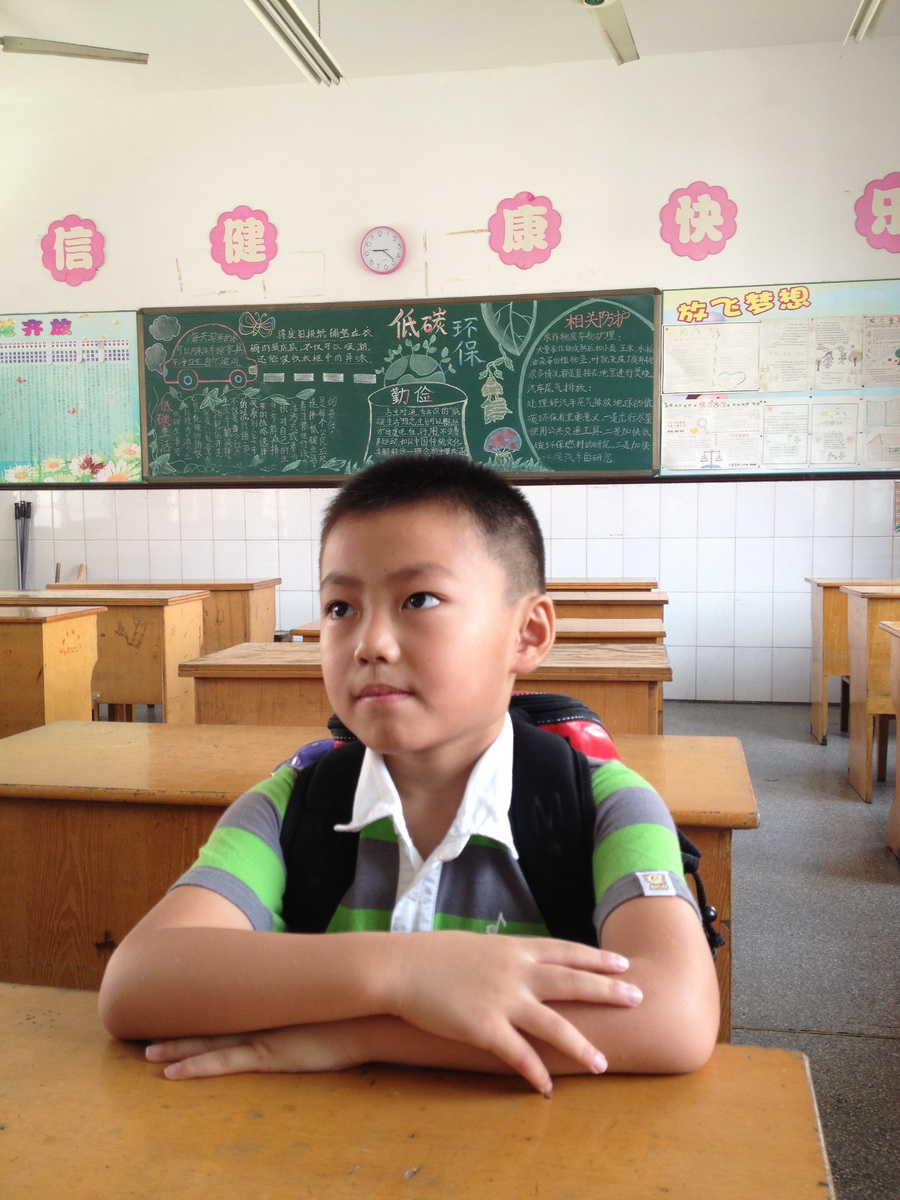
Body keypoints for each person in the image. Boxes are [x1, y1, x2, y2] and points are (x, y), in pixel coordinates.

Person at [99, 454, 719, 1095]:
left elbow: (673, 1014)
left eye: (419, 599)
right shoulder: (292, 806)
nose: (371, 643)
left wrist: (355, 1037)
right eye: (340, 608)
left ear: (527, 634)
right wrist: (403, 973)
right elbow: (137, 982)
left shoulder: (603, 805)